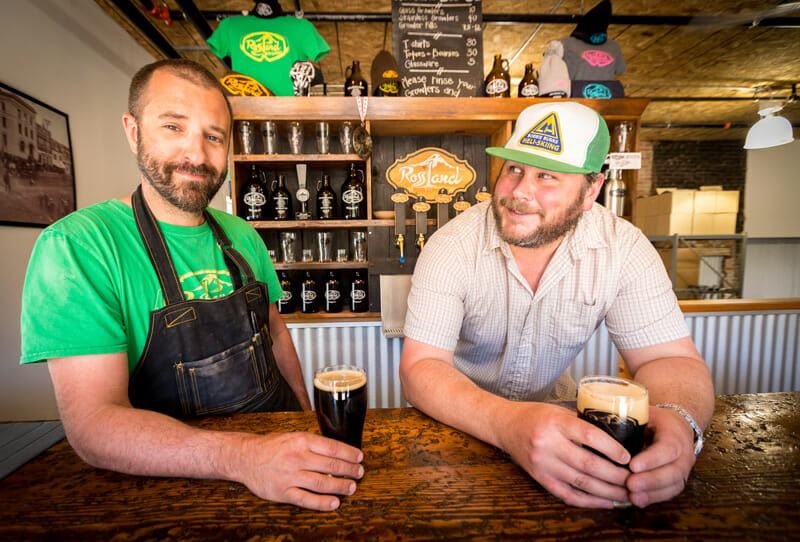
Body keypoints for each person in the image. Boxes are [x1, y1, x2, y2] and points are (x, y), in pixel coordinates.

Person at [20, 59, 362, 511]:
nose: (197, 155)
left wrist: (302, 417)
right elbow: (94, 426)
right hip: (175, 490)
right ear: (133, 130)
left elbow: (276, 333)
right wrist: (244, 457)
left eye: (213, 136)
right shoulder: (79, 247)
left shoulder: (243, 235)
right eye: (173, 127)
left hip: (279, 462)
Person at [399, 101, 714, 509]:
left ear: (591, 190)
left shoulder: (625, 248)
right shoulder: (452, 245)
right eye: (514, 169)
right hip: (456, 421)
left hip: (560, 418)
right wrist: (509, 423)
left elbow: (669, 357)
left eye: (546, 176)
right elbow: (421, 368)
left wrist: (679, 421)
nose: (518, 193)